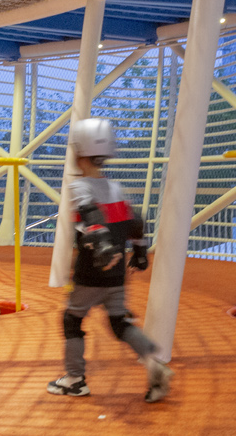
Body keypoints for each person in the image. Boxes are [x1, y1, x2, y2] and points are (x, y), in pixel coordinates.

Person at [47, 117, 174, 403]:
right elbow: (136, 221)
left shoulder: (79, 187)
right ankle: (154, 363)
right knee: (119, 323)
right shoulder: (114, 187)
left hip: (91, 273)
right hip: (117, 275)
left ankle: (75, 380)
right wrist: (139, 251)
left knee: (71, 320)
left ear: (80, 153)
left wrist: (102, 243)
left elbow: (89, 213)